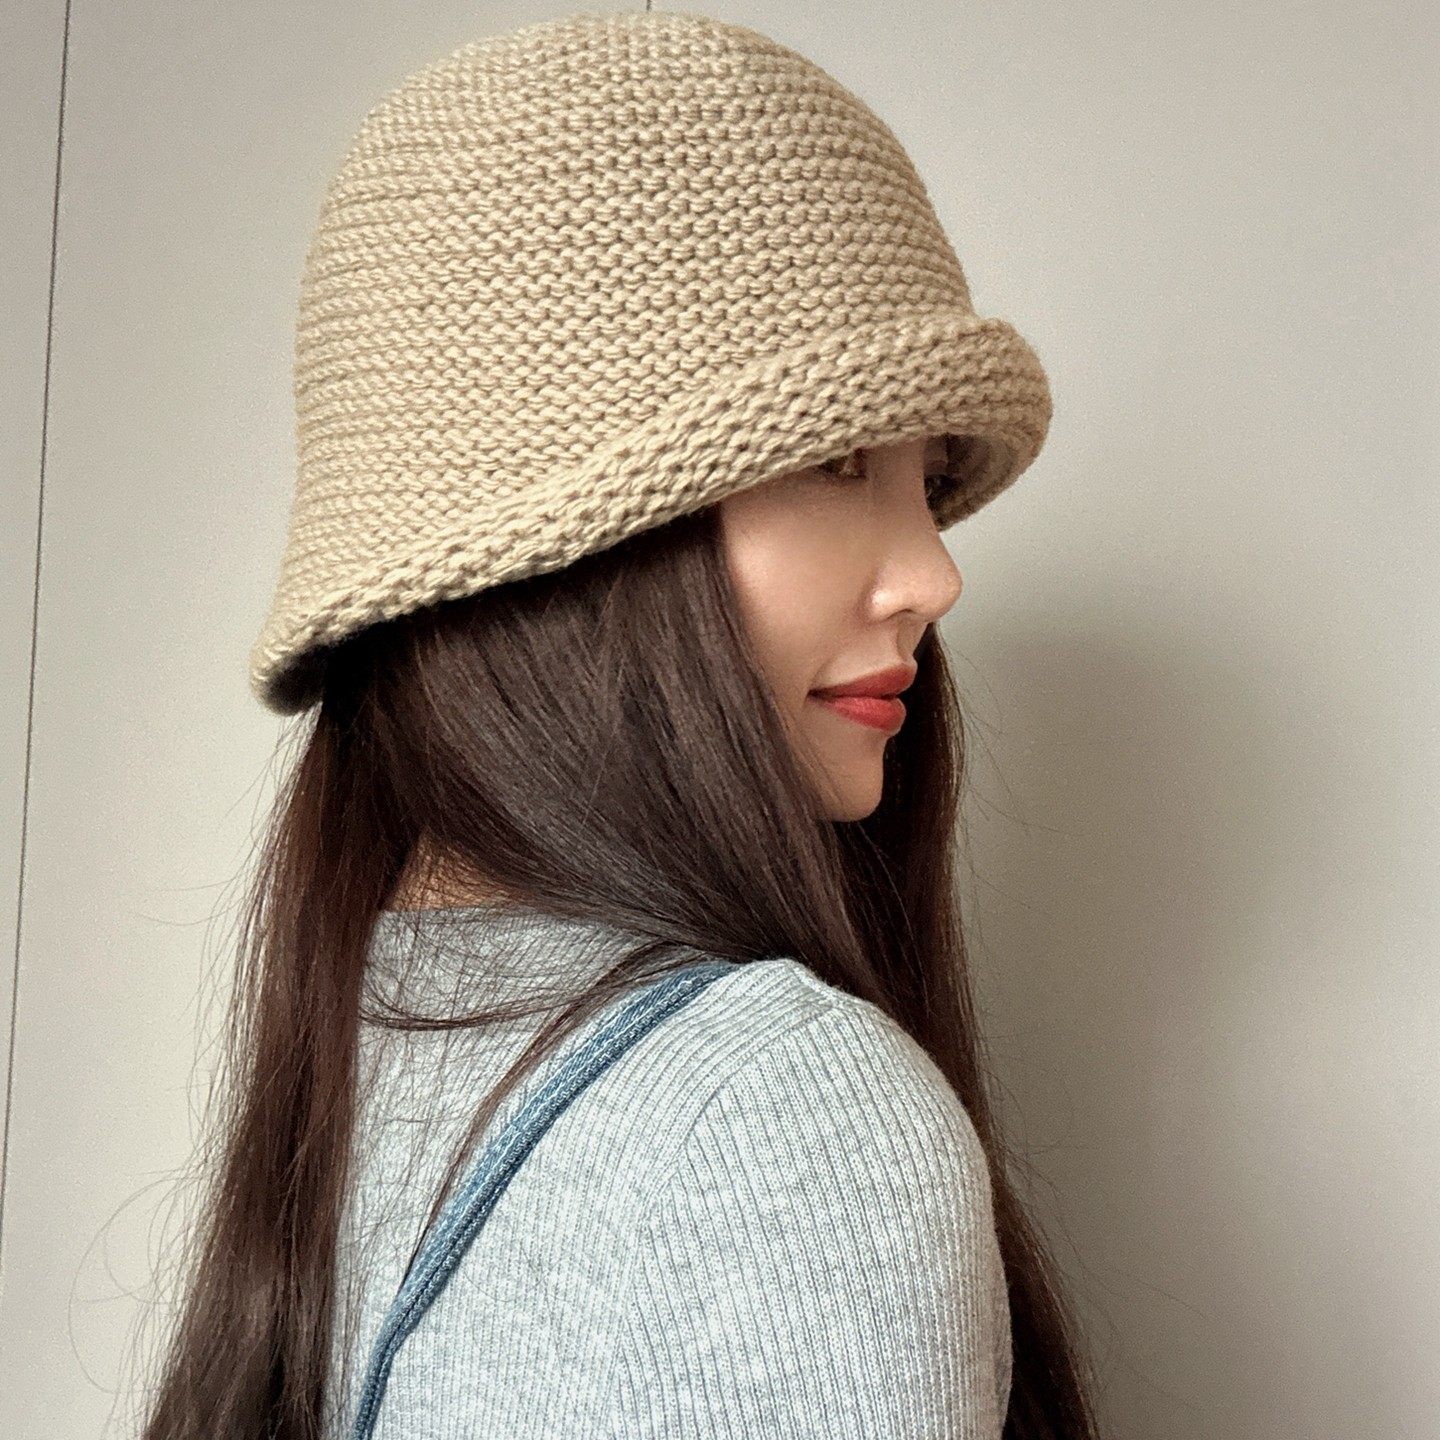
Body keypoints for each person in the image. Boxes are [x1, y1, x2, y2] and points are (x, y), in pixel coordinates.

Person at [138, 11, 1100, 1439]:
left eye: (927, 477)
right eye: (840, 462)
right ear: (579, 554)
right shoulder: (783, 1118)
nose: (933, 576)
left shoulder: (371, 1034)